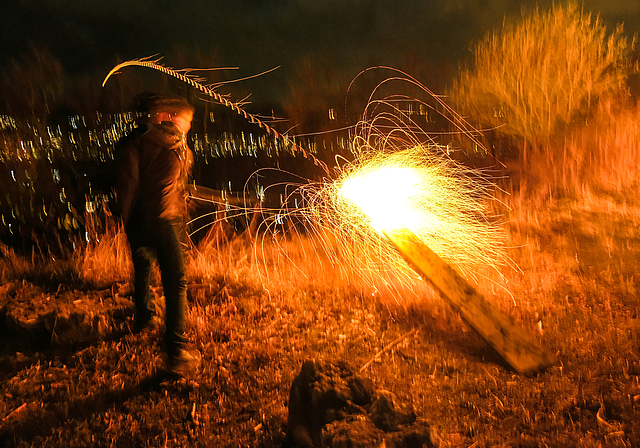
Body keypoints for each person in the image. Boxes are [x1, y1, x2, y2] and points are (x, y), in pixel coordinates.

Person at [113, 93, 201, 376]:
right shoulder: (178, 146)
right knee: (176, 281)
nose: (187, 126)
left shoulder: (133, 143)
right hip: (164, 219)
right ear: (171, 117)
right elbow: (173, 184)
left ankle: (144, 318)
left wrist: (125, 221)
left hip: (139, 219)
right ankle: (176, 352)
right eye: (186, 121)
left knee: (142, 266)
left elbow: (129, 184)